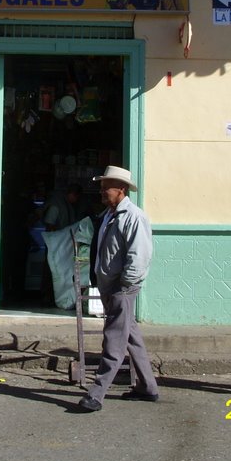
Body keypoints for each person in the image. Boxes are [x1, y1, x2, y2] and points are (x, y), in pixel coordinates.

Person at [77, 165, 160, 412]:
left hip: (121, 288)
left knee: (113, 338)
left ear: (121, 190)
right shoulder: (109, 215)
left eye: (107, 188)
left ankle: (97, 393)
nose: (102, 192)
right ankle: (148, 387)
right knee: (130, 336)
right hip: (110, 286)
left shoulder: (134, 217)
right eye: (102, 188)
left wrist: (125, 284)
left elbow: (140, 254)